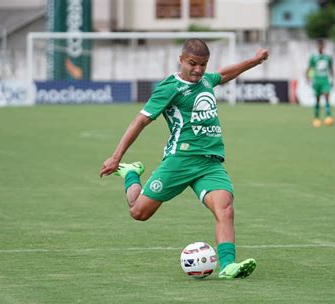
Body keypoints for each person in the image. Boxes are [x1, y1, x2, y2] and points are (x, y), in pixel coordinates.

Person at [100, 39, 269, 279]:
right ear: (181, 60)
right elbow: (141, 121)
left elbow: (224, 73)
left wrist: (254, 60)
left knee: (225, 209)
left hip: (209, 164)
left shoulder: (206, 81)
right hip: (179, 160)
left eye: (203, 64)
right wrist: (116, 157)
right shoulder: (169, 88)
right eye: (193, 63)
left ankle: (228, 266)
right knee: (139, 212)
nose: (198, 70)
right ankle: (131, 174)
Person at [306, 39, 335, 127]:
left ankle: (328, 116)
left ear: (324, 47)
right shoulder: (313, 57)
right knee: (317, 100)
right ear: (317, 46)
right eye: (319, 46)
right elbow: (309, 68)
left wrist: (333, 79)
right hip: (317, 80)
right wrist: (307, 77)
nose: (321, 47)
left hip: (325, 80)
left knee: (326, 98)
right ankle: (316, 117)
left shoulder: (328, 57)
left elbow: (331, 68)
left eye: (322, 46)